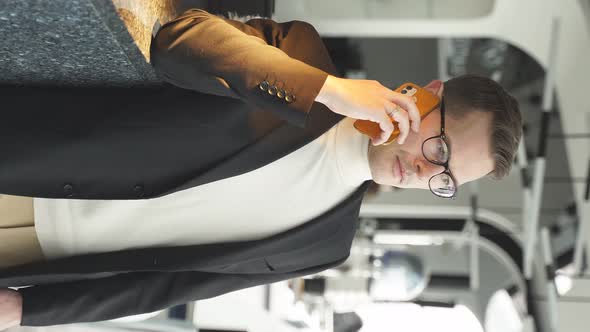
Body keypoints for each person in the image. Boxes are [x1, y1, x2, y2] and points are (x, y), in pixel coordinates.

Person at [0, 8, 522, 330]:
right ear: (430, 96)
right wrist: (330, 91)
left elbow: (165, 287)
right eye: (442, 151)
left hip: (32, 258)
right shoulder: (303, 59)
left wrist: (29, 313)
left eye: (445, 181)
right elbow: (178, 42)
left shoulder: (324, 245)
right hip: (25, 158)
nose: (425, 173)